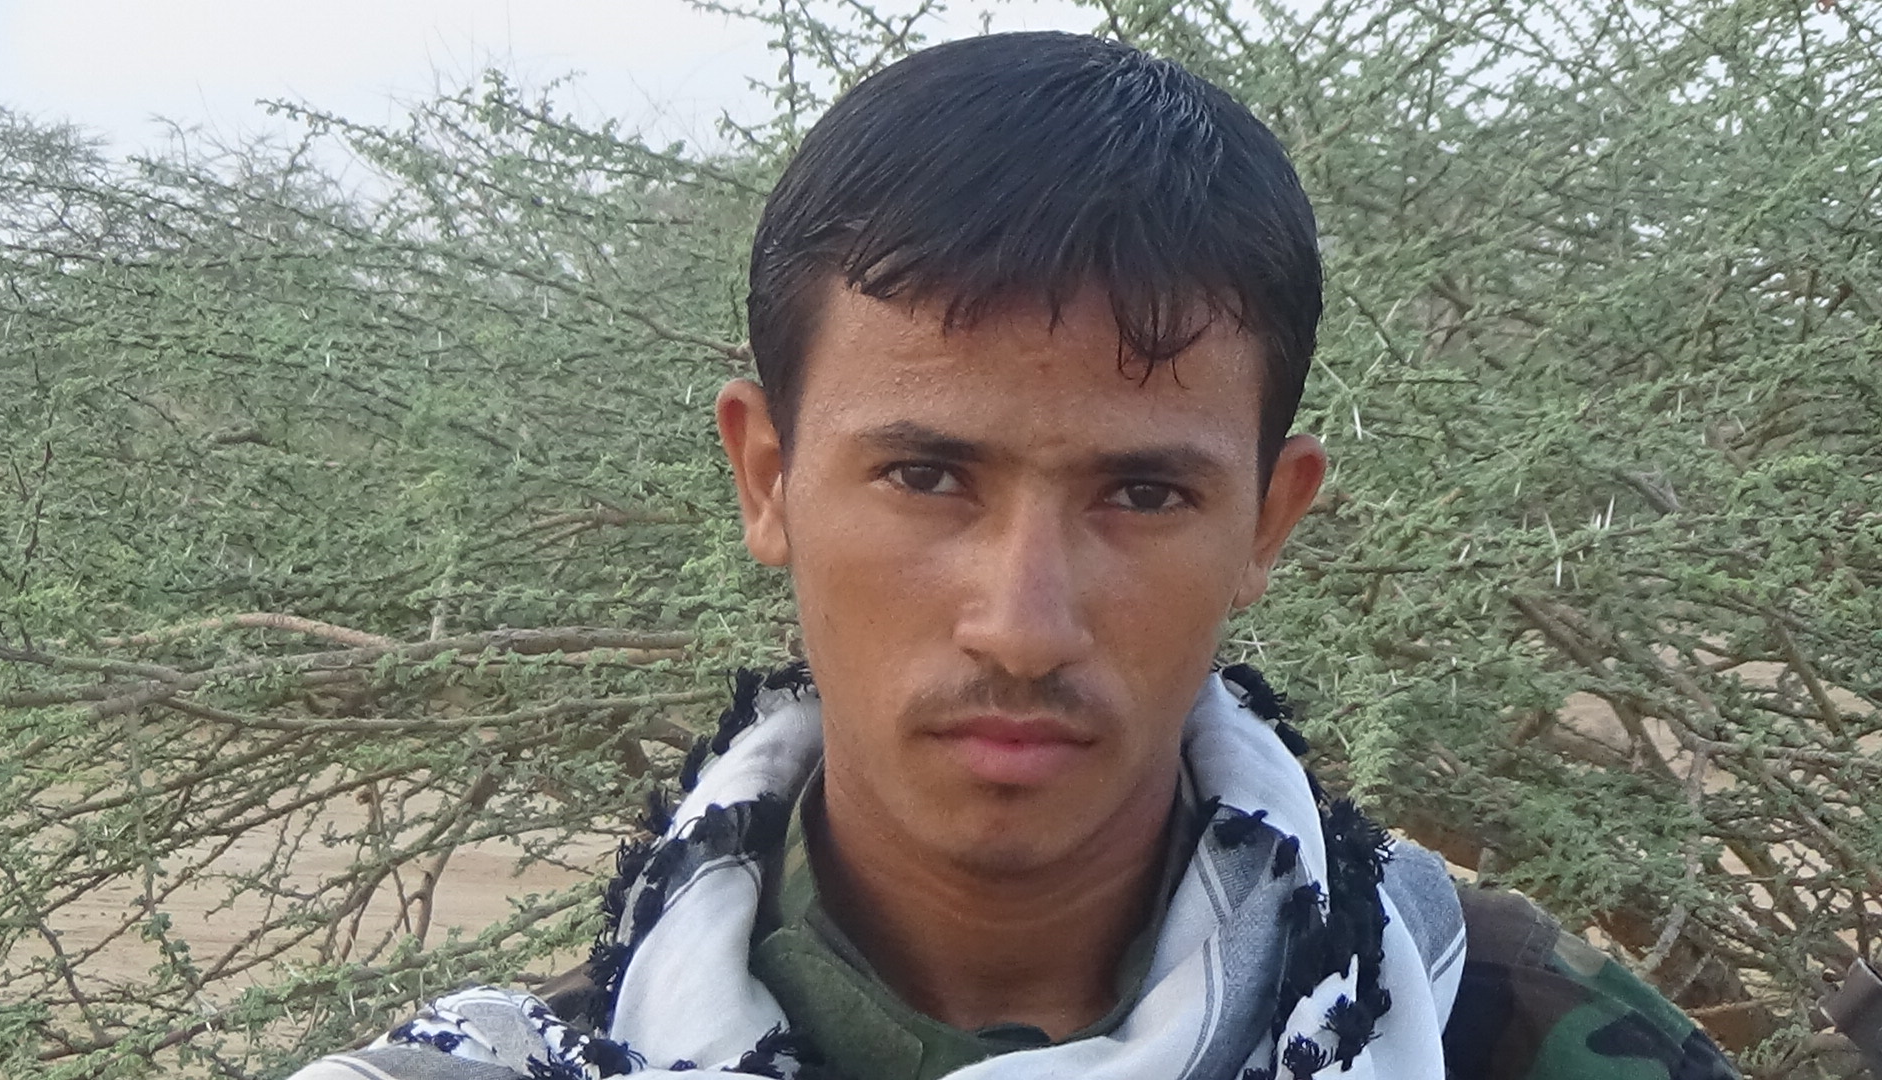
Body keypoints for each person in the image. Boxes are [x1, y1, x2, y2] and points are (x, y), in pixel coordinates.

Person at [290, 31, 1738, 1080]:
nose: (1023, 624)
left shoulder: (1510, 1032)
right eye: (927, 477)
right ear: (769, 478)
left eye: (1144, 494)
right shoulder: (536, 1060)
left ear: (1267, 521)